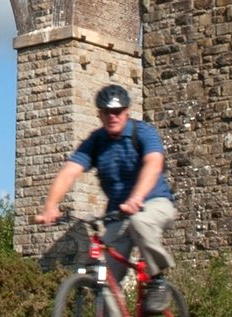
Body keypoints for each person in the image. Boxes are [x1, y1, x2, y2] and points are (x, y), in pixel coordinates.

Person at [33, 84, 178, 314]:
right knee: (105, 277)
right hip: (119, 215)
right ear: (99, 114)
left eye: (118, 111)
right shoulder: (96, 142)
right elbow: (69, 171)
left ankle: (157, 279)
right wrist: (51, 206)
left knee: (140, 222)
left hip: (154, 203)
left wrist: (137, 197)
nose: (113, 116)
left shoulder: (143, 132)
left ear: (127, 111)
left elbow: (153, 163)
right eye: (107, 112)